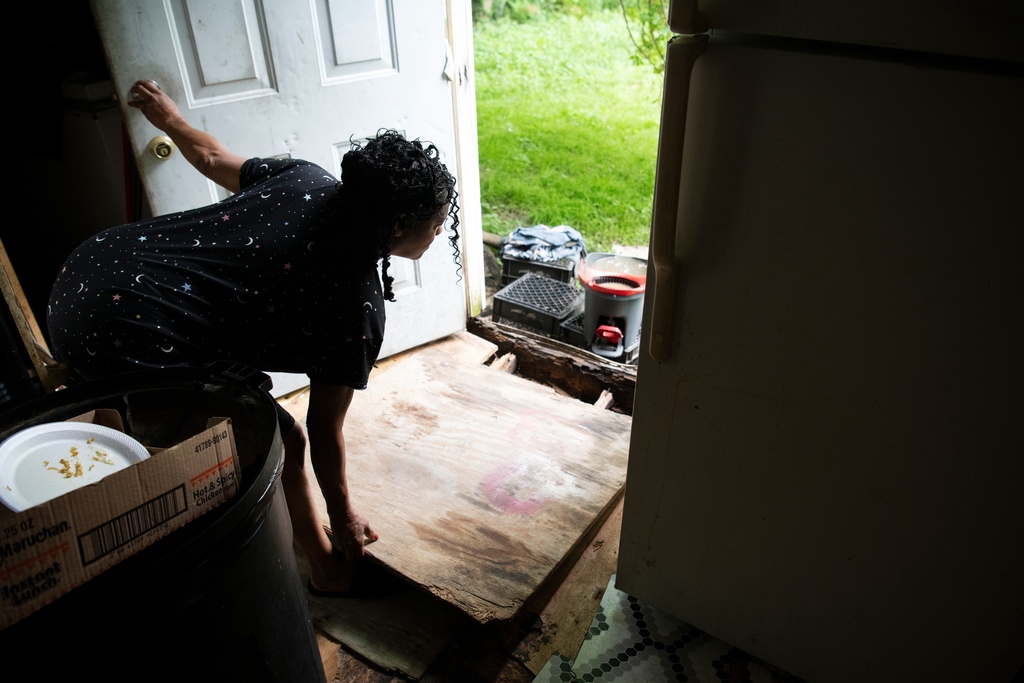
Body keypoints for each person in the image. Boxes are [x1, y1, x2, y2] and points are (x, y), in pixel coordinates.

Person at [47, 79, 461, 595]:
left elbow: (213, 155)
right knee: (282, 439)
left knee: (237, 398)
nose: (442, 231)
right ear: (398, 223)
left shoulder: (307, 179)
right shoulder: (354, 305)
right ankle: (327, 569)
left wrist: (169, 118)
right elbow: (324, 431)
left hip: (89, 264)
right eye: (438, 222)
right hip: (120, 328)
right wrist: (345, 514)